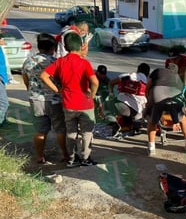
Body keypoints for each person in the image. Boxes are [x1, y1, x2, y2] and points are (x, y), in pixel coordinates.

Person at [40, 32, 99, 167]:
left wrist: (57, 90)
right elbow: (94, 81)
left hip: (68, 104)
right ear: (80, 46)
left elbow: (44, 75)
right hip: (85, 105)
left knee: (71, 133)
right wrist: (92, 94)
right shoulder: (84, 63)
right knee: (86, 132)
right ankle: (85, 158)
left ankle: (72, 159)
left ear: (65, 47)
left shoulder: (60, 62)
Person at [21, 33, 69, 164]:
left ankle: (40, 156)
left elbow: (26, 81)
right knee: (60, 129)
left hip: (36, 100)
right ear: (52, 48)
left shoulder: (28, 62)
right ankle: (65, 155)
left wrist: (33, 92)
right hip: (55, 101)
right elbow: (63, 81)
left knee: (40, 131)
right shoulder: (55, 62)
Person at [145, 65, 186, 156]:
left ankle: (151, 148)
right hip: (174, 96)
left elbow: (148, 87)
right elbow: (180, 98)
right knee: (183, 119)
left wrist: (148, 101)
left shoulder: (158, 71)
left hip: (157, 94)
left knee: (152, 122)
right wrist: (177, 118)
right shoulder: (177, 78)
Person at [107, 63, 150, 130]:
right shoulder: (148, 83)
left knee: (106, 106)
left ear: (138, 70)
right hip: (137, 113)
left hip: (122, 107)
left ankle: (115, 123)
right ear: (148, 74)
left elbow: (111, 83)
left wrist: (111, 94)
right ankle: (129, 126)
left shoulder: (127, 76)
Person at [0, 34, 9, 126]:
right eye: (2, 39)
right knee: (4, 103)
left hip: (2, 77)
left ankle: (3, 120)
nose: (4, 40)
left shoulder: (1, 49)